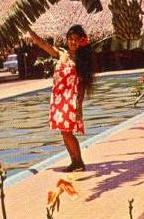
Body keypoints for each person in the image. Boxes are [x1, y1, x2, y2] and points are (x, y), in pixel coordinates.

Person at [27, 24, 94, 172]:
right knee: (63, 131)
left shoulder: (81, 61)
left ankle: (79, 162)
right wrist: (30, 31)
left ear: (81, 41)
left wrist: (79, 106)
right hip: (58, 98)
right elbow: (42, 44)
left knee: (66, 132)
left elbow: (82, 87)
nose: (72, 42)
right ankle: (74, 161)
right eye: (70, 39)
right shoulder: (61, 54)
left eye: (76, 40)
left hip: (71, 99)